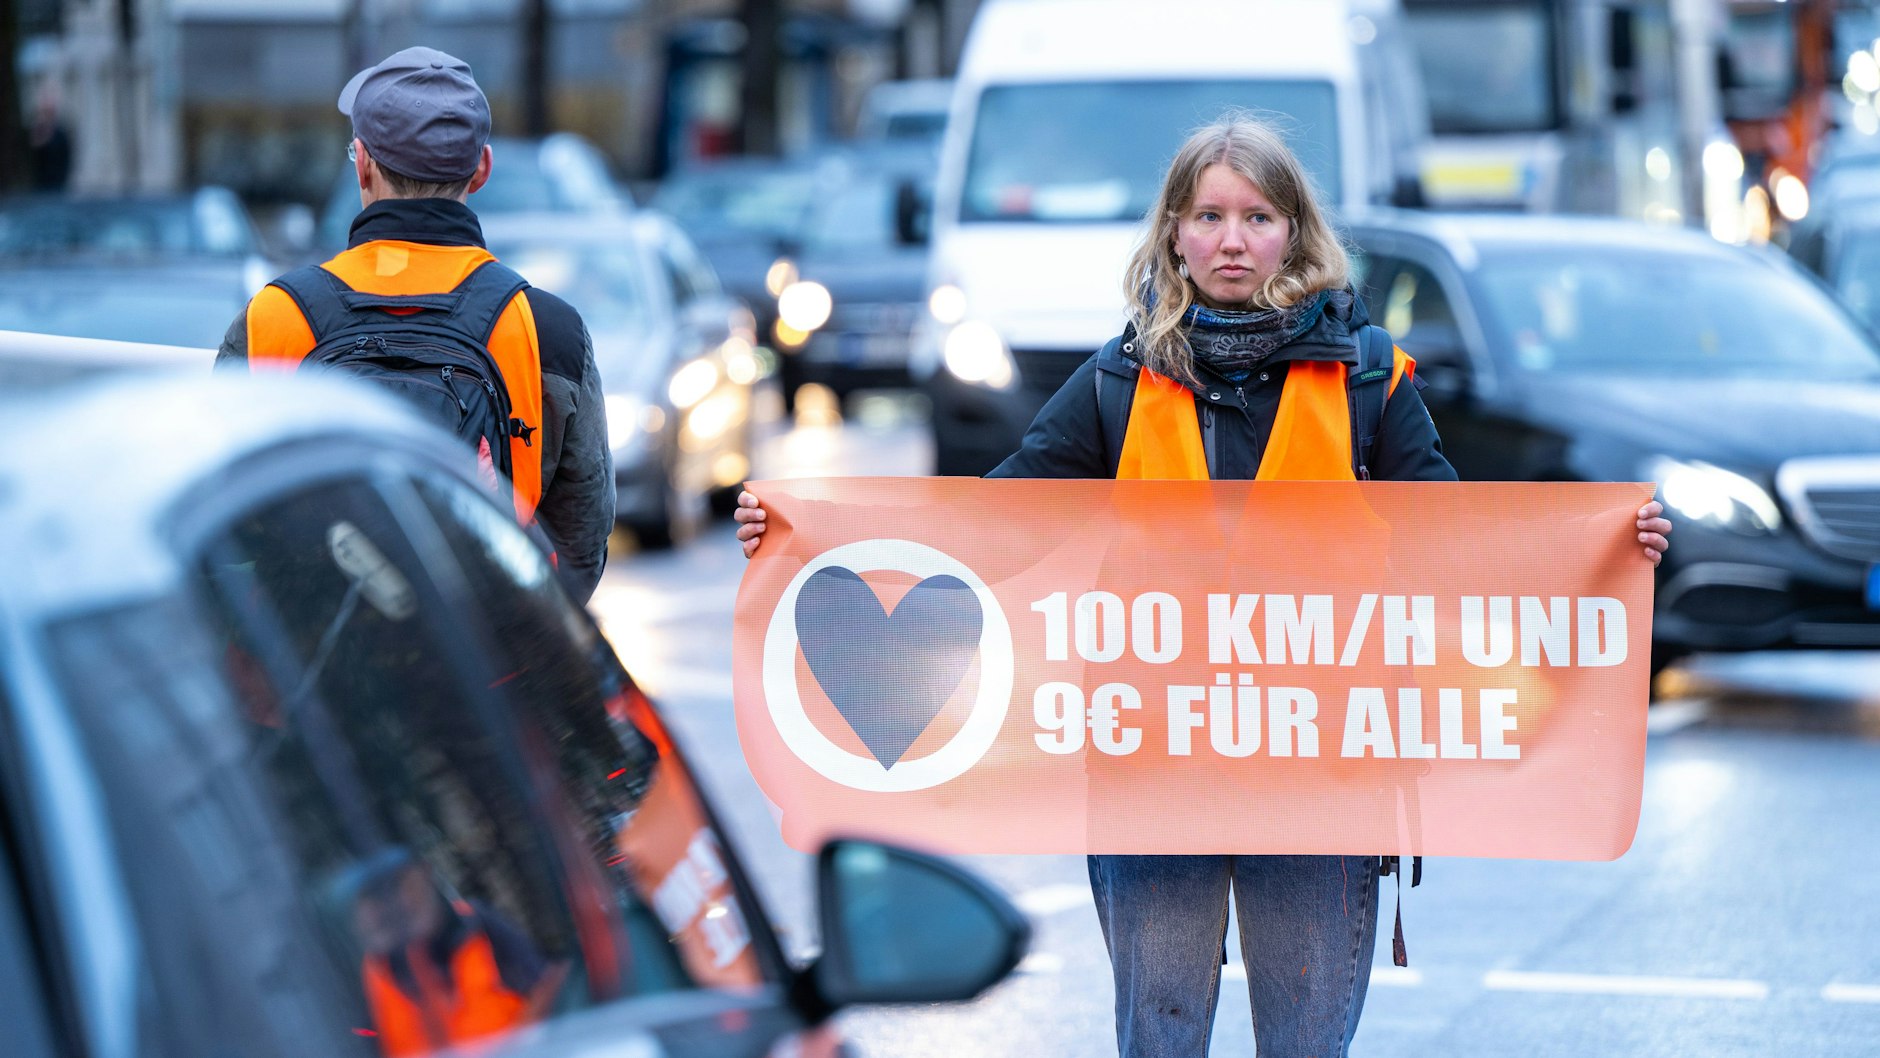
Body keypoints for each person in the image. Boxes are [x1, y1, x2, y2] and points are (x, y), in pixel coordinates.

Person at [734, 114, 1672, 1057]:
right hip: (1155, 767)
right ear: (1175, 234)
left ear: (1294, 234)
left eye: (1258, 218)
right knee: (1161, 1039)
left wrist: (1603, 549)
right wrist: (815, 543)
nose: (1233, 240)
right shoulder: (1119, 380)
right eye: (1210, 216)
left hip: (1323, 772)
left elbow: (1459, 544)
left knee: (1305, 1048)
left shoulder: (1367, 380)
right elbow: (995, 522)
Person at [217, 46, 613, 603]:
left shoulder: (273, 316)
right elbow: (581, 546)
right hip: (483, 648)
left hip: (314, 648)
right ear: (482, 169)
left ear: (362, 163)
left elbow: (222, 530)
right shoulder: (546, 329)